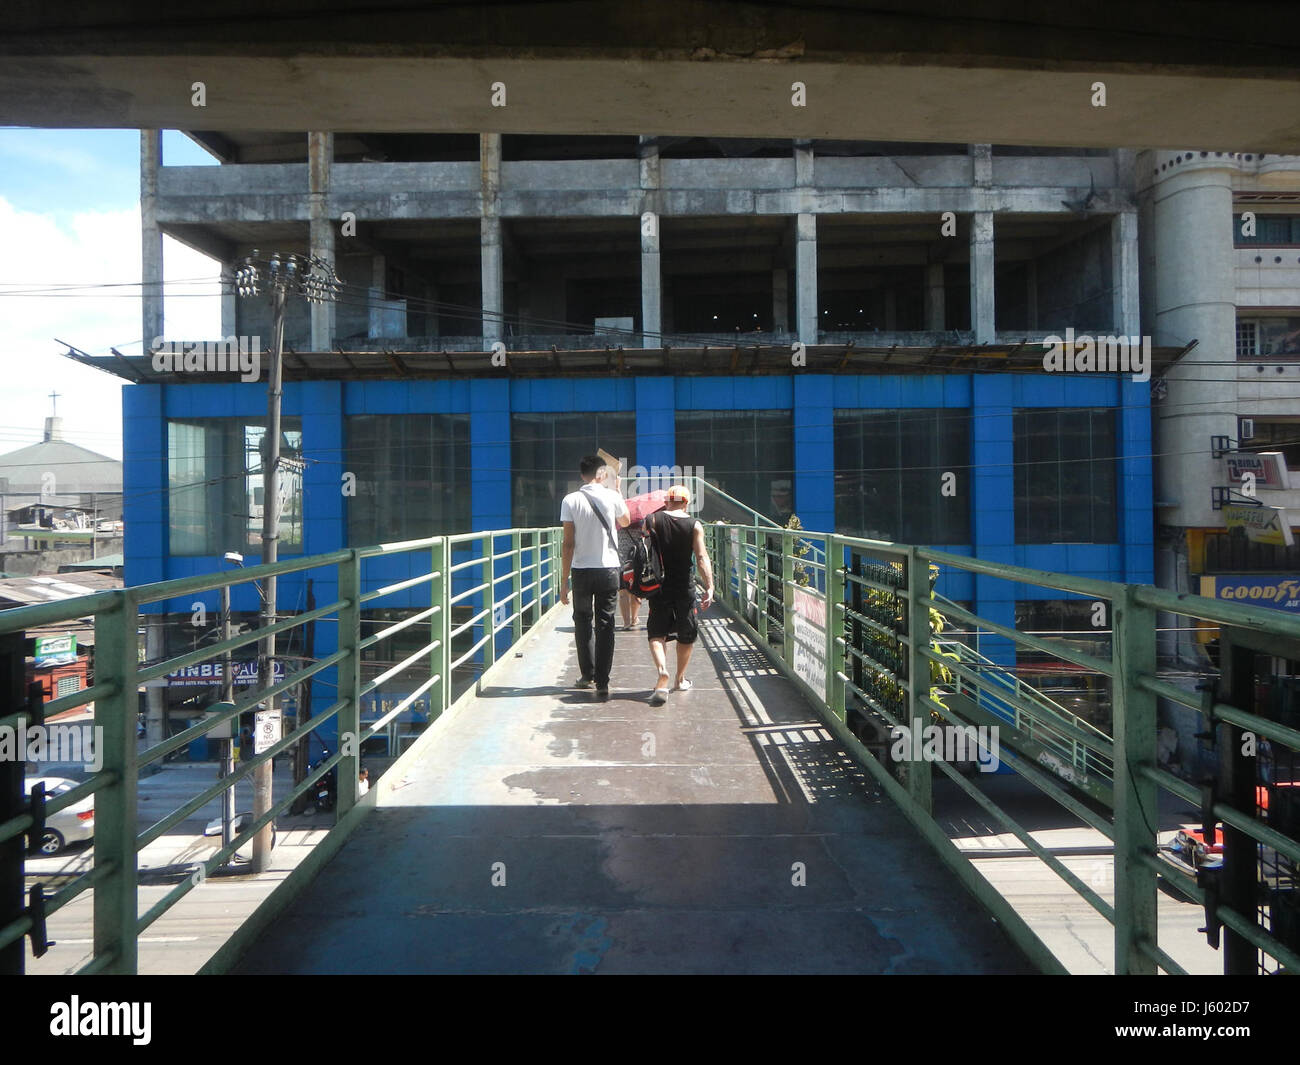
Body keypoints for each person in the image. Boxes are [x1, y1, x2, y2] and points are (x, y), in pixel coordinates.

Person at [560, 455, 631, 699]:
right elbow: (626, 520)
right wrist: (618, 490)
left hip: (581, 572)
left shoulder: (570, 500)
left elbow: (568, 544)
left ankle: (587, 675)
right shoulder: (612, 496)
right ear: (602, 474)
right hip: (609, 570)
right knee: (605, 624)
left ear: (582, 475)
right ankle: (602, 681)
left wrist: (563, 583)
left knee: (582, 621)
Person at [645, 484, 714, 705]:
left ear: (667, 501)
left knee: (657, 631)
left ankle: (662, 670)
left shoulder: (652, 520)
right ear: (686, 503)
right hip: (684, 585)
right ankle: (679, 679)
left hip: (658, 584)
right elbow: (701, 557)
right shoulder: (694, 524)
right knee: (687, 633)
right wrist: (710, 586)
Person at [618, 517, 645, 629]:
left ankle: (626, 622)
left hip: (621, 562)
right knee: (636, 591)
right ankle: (634, 619)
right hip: (636, 563)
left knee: (623, 593)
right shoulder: (640, 524)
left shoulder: (618, 524)